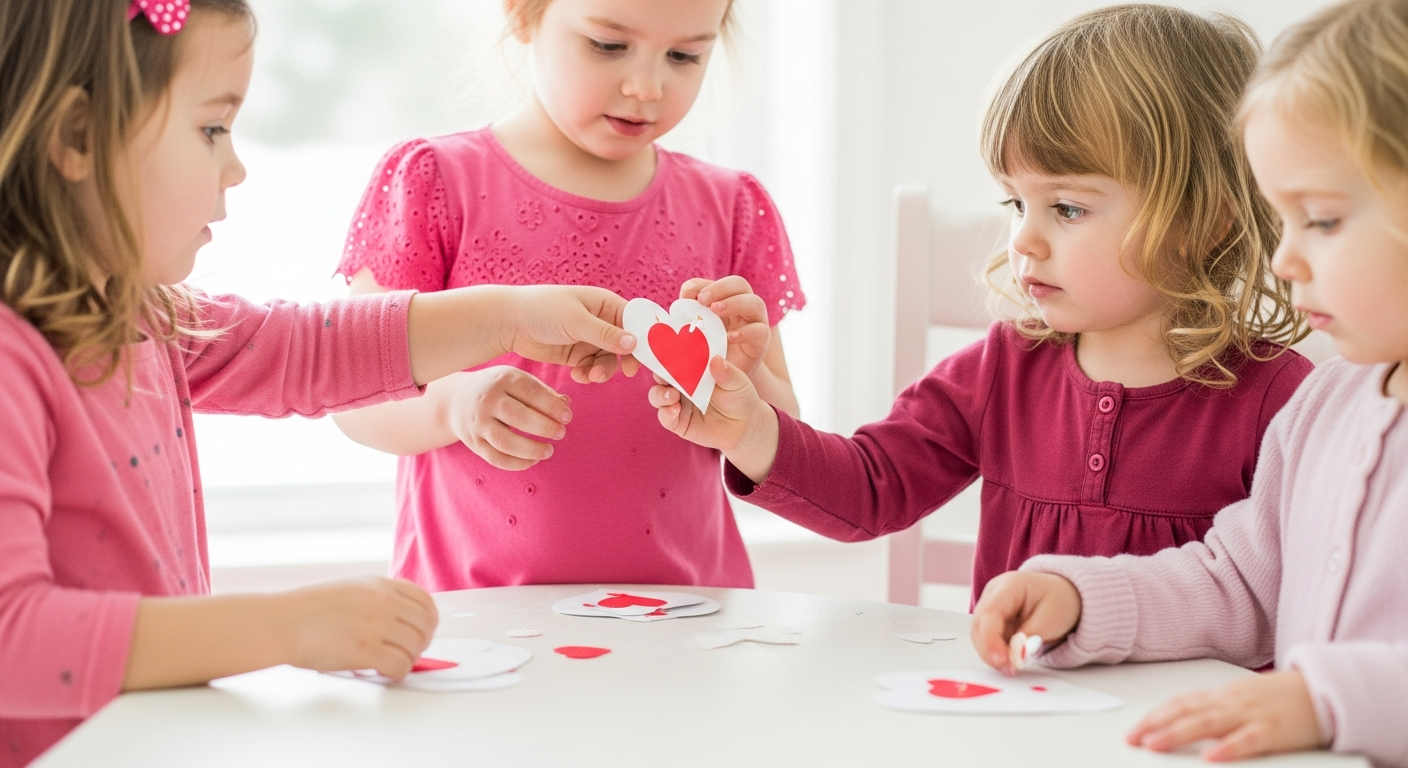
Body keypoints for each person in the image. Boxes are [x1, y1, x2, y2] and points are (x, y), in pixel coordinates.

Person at [0, 2, 635, 764]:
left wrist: (506, 318)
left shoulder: (138, 318)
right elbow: (14, 641)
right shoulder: (13, 356)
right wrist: (286, 628)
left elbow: (299, 349)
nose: (235, 166)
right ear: (76, 137)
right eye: (211, 129)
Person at [650, 4, 1313, 605]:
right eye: (1016, 203)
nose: (1024, 238)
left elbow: (1305, 597)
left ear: (1204, 221)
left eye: (1068, 208)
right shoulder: (1004, 369)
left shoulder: (1282, 402)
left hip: (1185, 731)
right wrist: (749, 430)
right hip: (1014, 719)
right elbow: (871, 489)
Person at [969, 1, 1408, 764]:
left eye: (1324, 221)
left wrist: (1327, 698)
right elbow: (1236, 584)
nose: (1283, 259)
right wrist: (1084, 601)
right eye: (1283, 219)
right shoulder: (1326, 409)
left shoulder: (1290, 393)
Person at [332, 0, 804, 591]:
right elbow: (352, 394)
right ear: (523, 14)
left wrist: (746, 377)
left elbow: (782, 437)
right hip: (479, 622)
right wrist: (453, 404)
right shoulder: (435, 182)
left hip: (686, 618)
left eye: (685, 55)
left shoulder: (729, 207)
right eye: (608, 45)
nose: (646, 87)